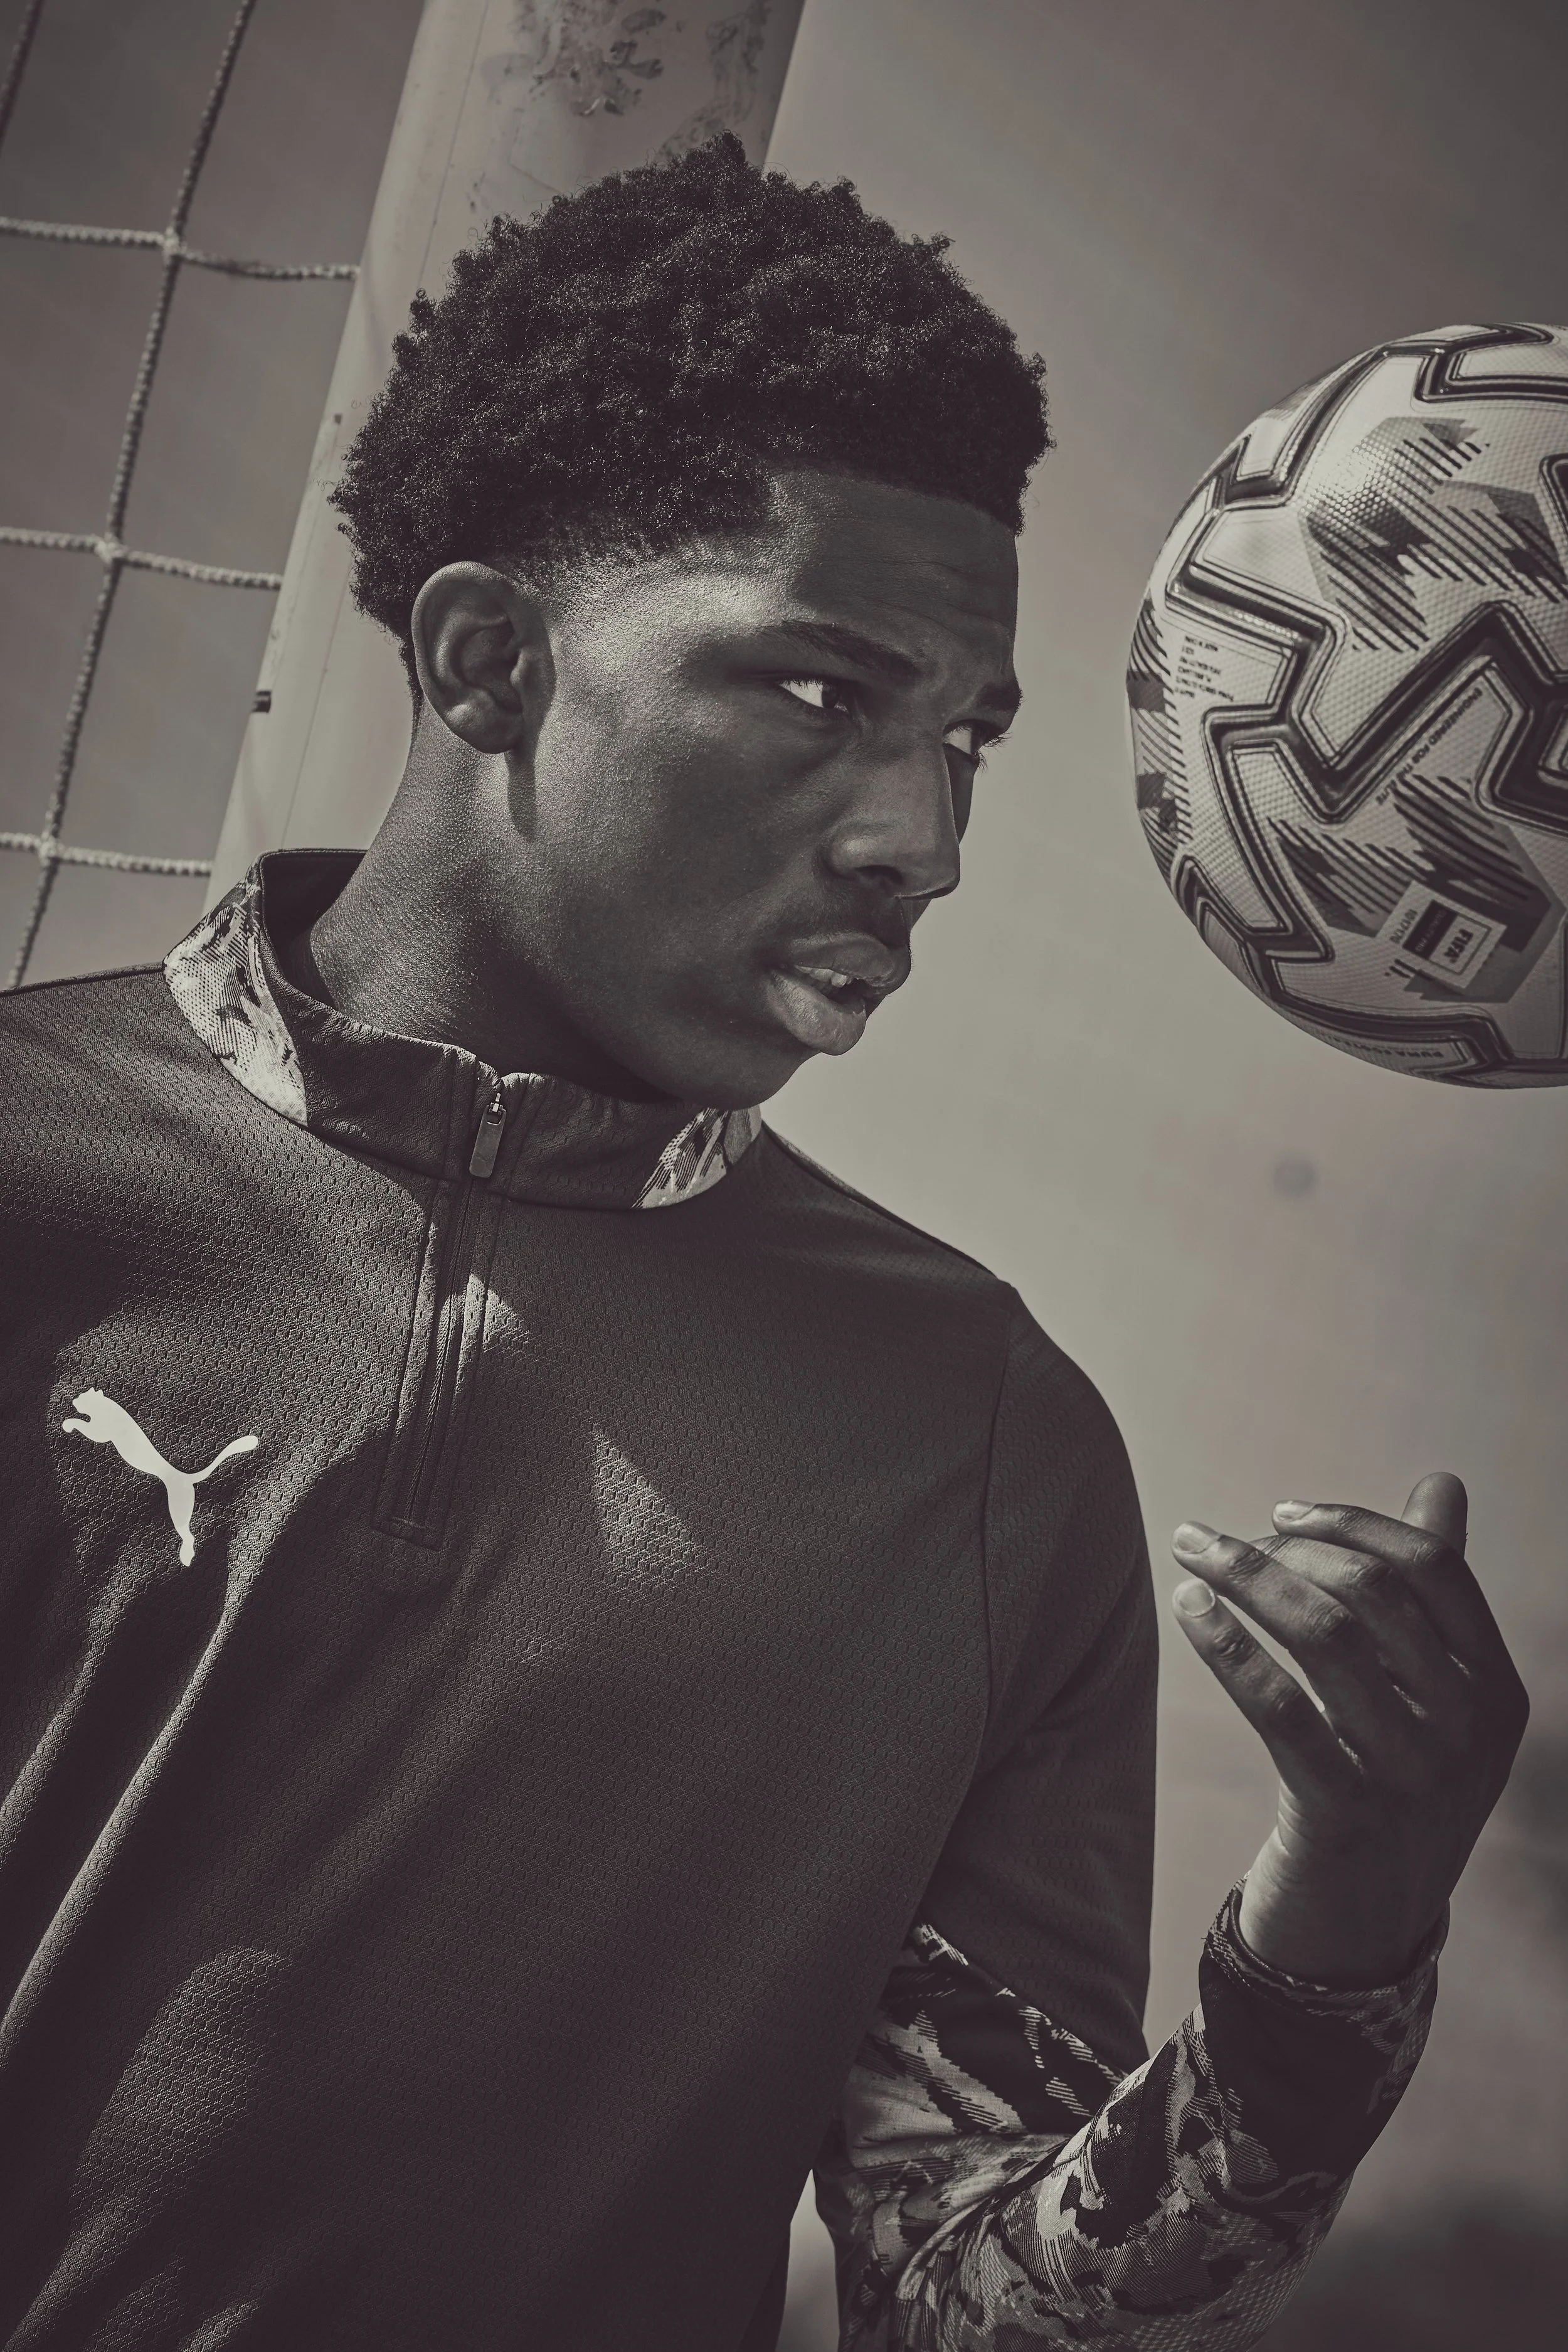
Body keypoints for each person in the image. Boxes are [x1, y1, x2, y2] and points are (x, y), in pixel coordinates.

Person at [0, 136, 1526, 2352]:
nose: (920, 837)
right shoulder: (34, 1170)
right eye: (823, 690)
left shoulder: (981, 1443)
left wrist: (1340, 1938)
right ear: (491, 659)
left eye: (966, 738)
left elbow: (968, 2299)